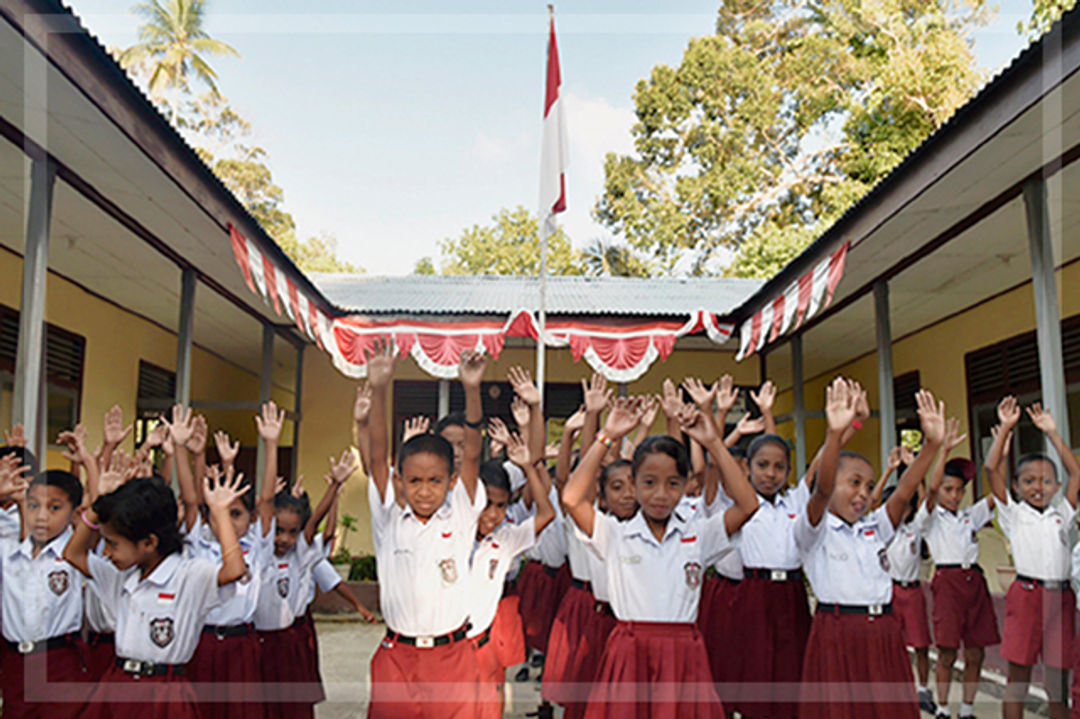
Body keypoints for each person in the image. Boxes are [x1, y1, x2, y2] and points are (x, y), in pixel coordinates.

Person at [563, 396, 759, 718]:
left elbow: (748, 505)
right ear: (635, 484)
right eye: (649, 483)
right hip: (629, 648)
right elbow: (571, 498)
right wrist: (607, 433)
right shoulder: (616, 534)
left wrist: (713, 443)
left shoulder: (697, 534)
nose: (660, 495)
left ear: (684, 486)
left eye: (672, 484)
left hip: (683, 653)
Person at [795, 380, 944, 719]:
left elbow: (904, 493)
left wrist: (932, 446)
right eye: (854, 483)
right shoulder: (813, 530)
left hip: (884, 634)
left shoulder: (874, 528)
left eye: (868, 485)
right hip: (837, 633)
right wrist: (834, 436)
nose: (863, 493)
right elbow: (819, 491)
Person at [63, 467, 250, 719]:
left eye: (113, 544)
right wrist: (99, 506)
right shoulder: (120, 576)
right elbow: (72, 554)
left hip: (166, 691)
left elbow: (234, 569)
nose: (106, 553)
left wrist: (219, 512)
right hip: (119, 684)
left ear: (149, 543)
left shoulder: (189, 575)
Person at [365, 341, 487, 718]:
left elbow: (472, 453)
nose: (424, 490)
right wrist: (380, 388)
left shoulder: (461, 515)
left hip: (453, 657)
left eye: (435, 480)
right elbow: (377, 453)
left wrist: (471, 389)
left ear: (451, 482)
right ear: (399, 479)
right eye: (414, 480)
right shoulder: (389, 519)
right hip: (397, 658)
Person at [988, 398, 1080, 719]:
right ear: (1017, 485)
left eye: (1045, 481)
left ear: (1056, 487)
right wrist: (1005, 431)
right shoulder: (1014, 515)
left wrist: (1053, 434)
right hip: (1026, 596)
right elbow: (990, 469)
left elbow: (1076, 471)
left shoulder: (1062, 515)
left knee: (1058, 682)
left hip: (1061, 597)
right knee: (1019, 679)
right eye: (1028, 481)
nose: (1037, 487)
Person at [916, 417, 997, 719]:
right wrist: (943, 451)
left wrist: (999, 451)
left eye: (960, 489)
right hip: (948, 582)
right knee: (948, 651)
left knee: (977, 651)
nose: (954, 495)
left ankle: (967, 709)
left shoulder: (969, 516)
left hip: (974, 581)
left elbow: (996, 494)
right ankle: (942, 708)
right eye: (949, 489)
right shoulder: (931, 518)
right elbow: (932, 487)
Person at [471, 435, 556, 718]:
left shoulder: (505, 538)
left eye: (501, 506)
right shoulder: (451, 533)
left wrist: (529, 467)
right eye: (486, 504)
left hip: (490, 623)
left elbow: (546, 513)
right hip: (451, 639)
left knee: (492, 686)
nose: (492, 515)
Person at [1, 453, 86, 719]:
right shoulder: (8, 553)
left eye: (54, 508)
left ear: (74, 512)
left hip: (58, 657)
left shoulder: (76, 555)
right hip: (16, 659)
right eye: (34, 505)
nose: (41, 517)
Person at [871, 446, 936, 714]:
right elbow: (875, 501)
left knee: (920, 645)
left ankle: (923, 689)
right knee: (891, 645)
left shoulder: (914, 529)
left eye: (907, 506)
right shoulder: (880, 530)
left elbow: (924, 501)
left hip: (912, 592)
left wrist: (915, 472)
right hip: (890, 593)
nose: (903, 510)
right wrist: (888, 470)